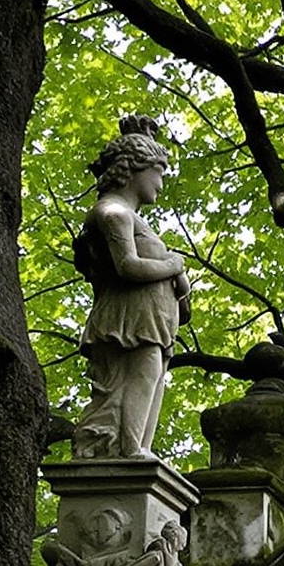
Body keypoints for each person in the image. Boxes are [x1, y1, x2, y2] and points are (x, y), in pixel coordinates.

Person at [70, 114, 191, 459]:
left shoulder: (133, 218)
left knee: (151, 374)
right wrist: (172, 265)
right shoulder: (113, 213)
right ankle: (128, 448)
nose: (161, 184)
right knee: (139, 374)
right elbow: (127, 266)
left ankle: (138, 448)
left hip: (150, 318)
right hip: (127, 318)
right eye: (160, 172)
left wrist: (177, 282)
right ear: (137, 167)